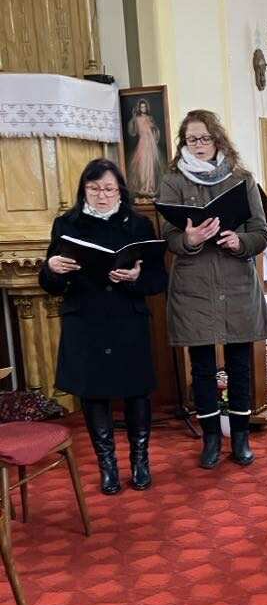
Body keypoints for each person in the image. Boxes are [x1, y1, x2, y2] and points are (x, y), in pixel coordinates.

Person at [39, 158, 167, 494]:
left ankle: (140, 461)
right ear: (83, 190)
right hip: (86, 320)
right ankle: (107, 466)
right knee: (93, 393)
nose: (102, 195)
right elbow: (51, 284)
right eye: (94, 188)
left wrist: (136, 277)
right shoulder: (66, 223)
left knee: (136, 390)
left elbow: (158, 279)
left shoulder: (139, 225)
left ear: (120, 191)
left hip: (127, 318)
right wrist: (52, 268)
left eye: (109, 189)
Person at [160, 110, 267, 469]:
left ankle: (240, 437)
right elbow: (167, 235)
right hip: (194, 284)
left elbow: (261, 231)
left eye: (205, 138)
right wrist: (189, 239)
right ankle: (209, 439)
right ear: (184, 143)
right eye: (192, 139)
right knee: (203, 366)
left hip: (236, 281)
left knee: (240, 365)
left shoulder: (241, 178)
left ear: (218, 139)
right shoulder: (173, 180)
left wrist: (240, 241)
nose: (199, 145)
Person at [127, 99, 162, 197]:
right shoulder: (137, 119)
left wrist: (154, 131)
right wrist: (133, 118)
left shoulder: (150, 118)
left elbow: (155, 130)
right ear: (139, 108)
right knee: (142, 165)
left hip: (151, 143)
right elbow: (133, 132)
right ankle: (143, 187)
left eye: (144, 106)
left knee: (150, 165)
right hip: (143, 142)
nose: (143, 108)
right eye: (141, 107)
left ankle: (150, 187)